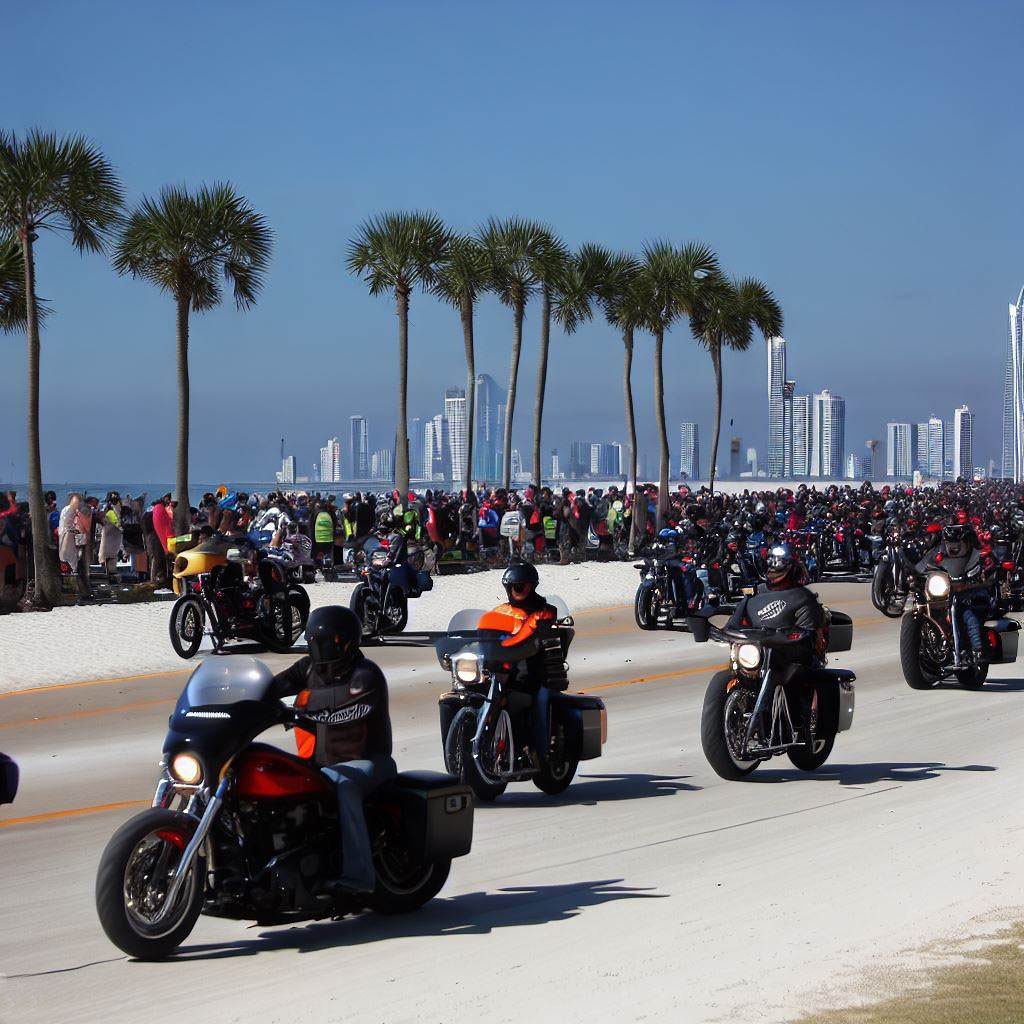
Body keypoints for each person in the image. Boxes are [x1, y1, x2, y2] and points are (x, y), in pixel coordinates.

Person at [270, 606, 394, 895]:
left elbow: (336, 701)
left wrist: (298, 706)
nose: (318, 648)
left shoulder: (366, 675)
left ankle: (360, 878)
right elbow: (272, 686)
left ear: (347, 642)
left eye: (325, 642)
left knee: (344, 786)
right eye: (314, 641)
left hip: (368, 763)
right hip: (323, 766)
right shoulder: (309, 668)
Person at [481, 561, 559, 767]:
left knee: (519, 699)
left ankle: (531, 749)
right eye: (511, 587)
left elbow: (534, 640)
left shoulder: (544, 611)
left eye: (519, 586)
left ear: (531, 586)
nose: (514, 590)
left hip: (531, 671)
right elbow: (483, 635)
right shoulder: (501, 611)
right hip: (502, 669)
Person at [58, 492, 91, 602]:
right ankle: (76, 593)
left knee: (69, 567)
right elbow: (80, 528)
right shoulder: (72, 511)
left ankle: (72, 593)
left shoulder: (66, 510)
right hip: (70, 542)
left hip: (66, 541)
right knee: (73, 567)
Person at [98, 492, 124, 582]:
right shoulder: (110, 511)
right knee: (109, 558)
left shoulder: (109, 509)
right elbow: (118, 523)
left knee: (108, 557)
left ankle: (109, 577)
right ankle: (110, 578)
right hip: (110, 536)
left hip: (111, 536)